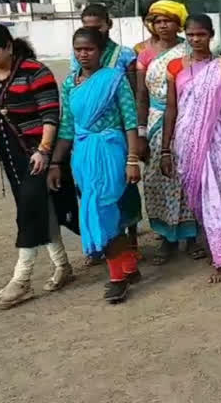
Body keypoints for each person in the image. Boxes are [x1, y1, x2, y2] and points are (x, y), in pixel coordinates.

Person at [49, 28, 141, 304]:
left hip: (111, 153)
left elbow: (130, 122)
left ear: (101, 51)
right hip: (83, 157)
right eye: (78, 49)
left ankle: (117, 279)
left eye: (88, 49)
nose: (83, 54)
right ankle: (130, 266)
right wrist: (55, 162)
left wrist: (132, 160)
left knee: (102, 212)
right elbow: (67, 127)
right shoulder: (70, 84)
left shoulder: (114, 80)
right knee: (104, 211)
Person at [0, 25, 79, 309]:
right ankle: (63, 266)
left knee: (29, 212)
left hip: (38, 154)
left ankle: (21, 280)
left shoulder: (35, 71)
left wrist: (44, 151)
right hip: (11, 155)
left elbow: (50, 115)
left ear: (8, 47)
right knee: (41, 209)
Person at [161, 14, 221, 284]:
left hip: (218, 140)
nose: (195, 39)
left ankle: (220, 257)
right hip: (186, 142)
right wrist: (165, 149)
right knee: (200, 201)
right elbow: (172, 109)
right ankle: (218, 248)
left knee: (219, 199)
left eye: (201, 34)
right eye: (190, 35)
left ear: (211, 35)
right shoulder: (175, 67)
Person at [74, 3, 142, 258]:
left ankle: (129, 241)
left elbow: (132, 100)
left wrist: (132, 153)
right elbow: (76, 108)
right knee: (94, 197)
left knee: (122, 192)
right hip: (87, 143)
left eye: (97, 27)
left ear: (108, 25)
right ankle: (112, 251)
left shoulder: (123, 56)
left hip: (116, 136)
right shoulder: (75, 69)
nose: (83, 53)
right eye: (86, 27)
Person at [135, 0, 199, 264]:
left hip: (186, 119)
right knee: (156, 179)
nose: (163, 25)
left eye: (168, 20)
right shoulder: (144, 53)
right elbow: (141, 95)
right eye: (157, 20)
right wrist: (140, 132)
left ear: (179, 23)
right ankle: (166, 238)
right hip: (155, 122)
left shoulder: (189, 49)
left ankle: (192, 236)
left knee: (187, 177)